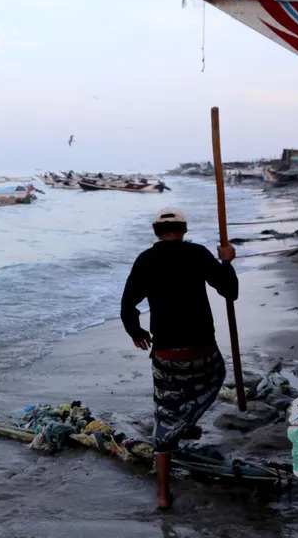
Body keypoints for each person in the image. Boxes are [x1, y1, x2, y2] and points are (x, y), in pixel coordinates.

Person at [120, 207, 238, 510]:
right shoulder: (198, 254)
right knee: (216, 376)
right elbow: (230, 291)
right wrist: (227, 261)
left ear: (155, 232)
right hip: (203, 351)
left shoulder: (146, 260)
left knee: (164, 416)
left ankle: (162, 494)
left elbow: (127, 304)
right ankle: (184, 421)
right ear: (184, 230)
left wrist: (136, 331)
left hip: (166, 353)